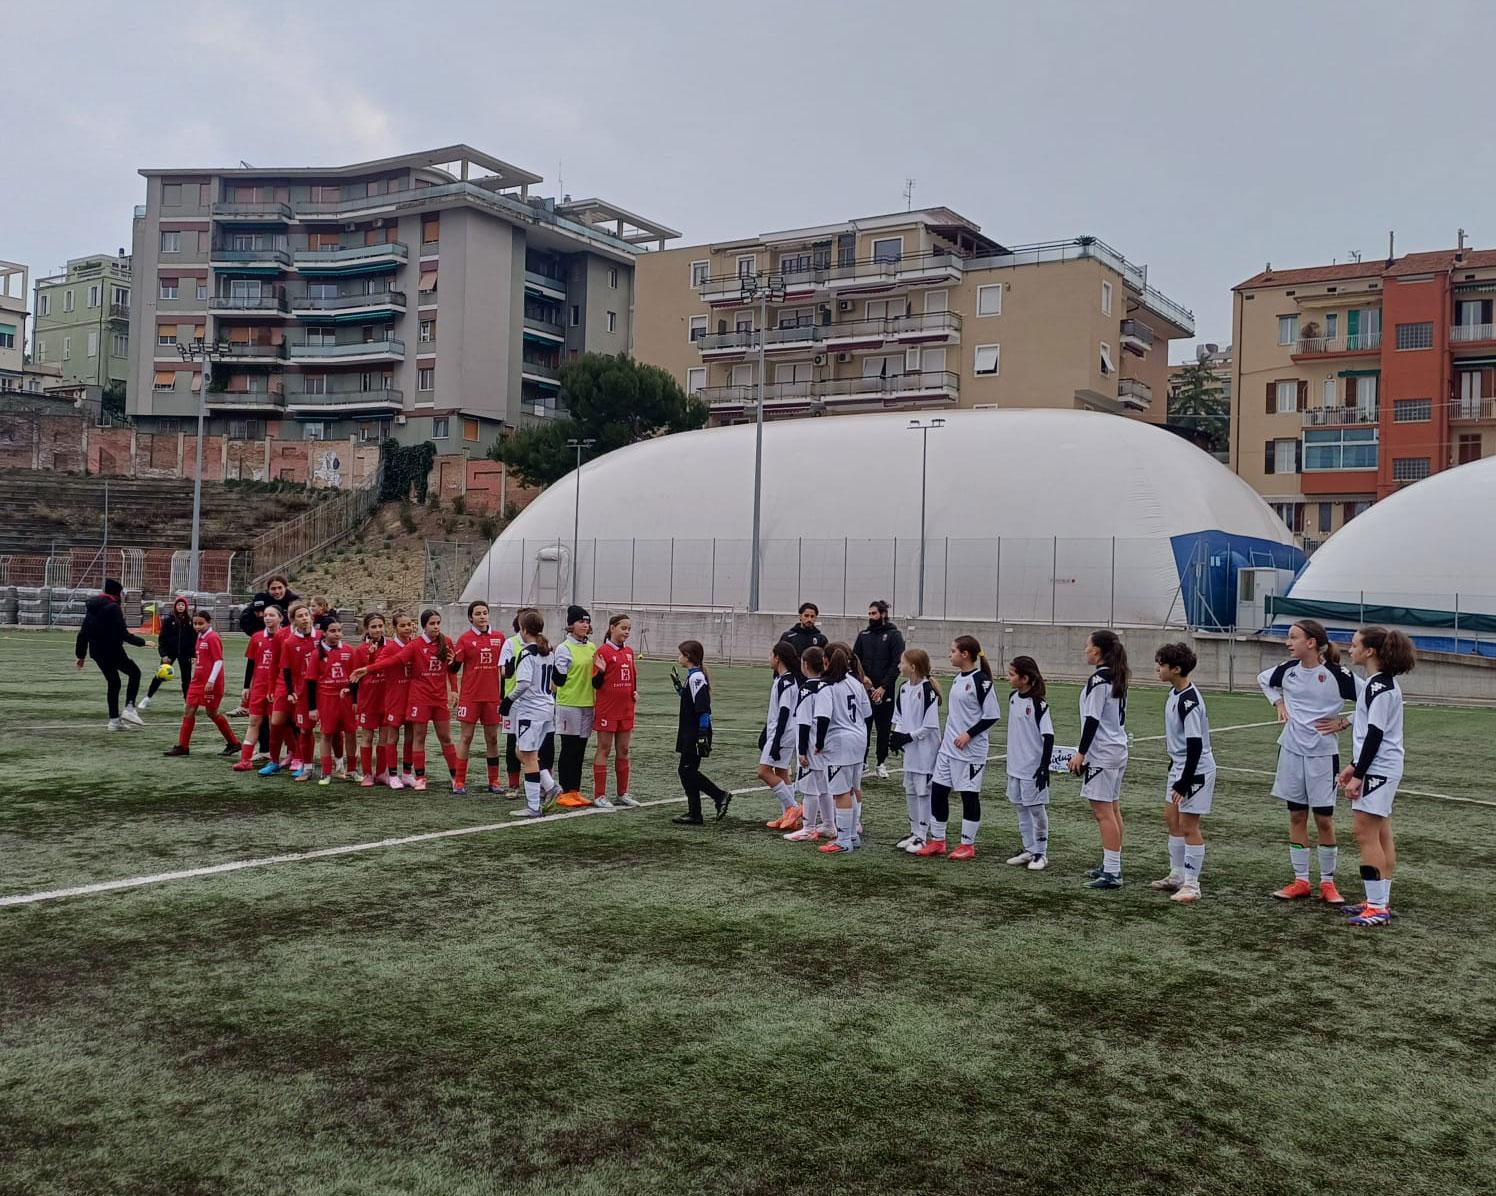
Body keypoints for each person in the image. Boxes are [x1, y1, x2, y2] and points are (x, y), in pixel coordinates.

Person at [1257, 619, 1357, 905]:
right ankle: (1301, 880)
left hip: (1323, 755)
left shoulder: (1338, 675)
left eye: (1293, 637)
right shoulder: (1287, 671)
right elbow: (1263, 680)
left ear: (1311, 643)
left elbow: (1371, 701)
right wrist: (1278, 703)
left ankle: (1328, 883)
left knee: (1324, 819)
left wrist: (1344, 721)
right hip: (1290, 751)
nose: (1288, 643)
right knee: (1296, 815)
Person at [1331, 626, 1416, 928]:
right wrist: (1354, 766)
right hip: (1380, 766)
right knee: (1381, 834)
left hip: (1379, 769)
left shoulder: (1379, 687)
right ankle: (1378, 901)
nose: (1349, 649)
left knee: (1365, 834)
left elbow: (1375, 734)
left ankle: (1377, 907)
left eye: (1354, 645)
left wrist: (1360, 773)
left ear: (1370, 652)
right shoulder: (1378, 684)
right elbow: (1370, 732)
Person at [351, 609, 458, 792]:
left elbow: (452, 666)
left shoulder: (442, 641)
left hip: (415, 698)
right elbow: (392, 661)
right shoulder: (404, 646)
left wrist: (454, 687)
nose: (407, 628)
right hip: (398, 699)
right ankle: (387, 774)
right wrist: (367, 669)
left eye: (409, 624)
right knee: (391, 737)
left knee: (417, 737)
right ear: (395, 628)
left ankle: (412, 773)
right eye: (402, 625)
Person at [915, 636, 1000, 860]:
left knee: (969, 796)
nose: (949, 654)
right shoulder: (957, 679)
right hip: (948, 749)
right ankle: (938, 840)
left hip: (970, 752)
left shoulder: (982, 681)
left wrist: (969, 734)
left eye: (952, 651)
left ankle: (967, 845)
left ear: (965, 654)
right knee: (939, 791)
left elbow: (992, 715)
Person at [1150, 643, 1215, 904]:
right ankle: (1177, 875)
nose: (1157, 668)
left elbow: (1195, 745)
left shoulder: (1189, 701)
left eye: (1162, 664)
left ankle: (1192, 884)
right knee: (1172, 819)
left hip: (1195, 769)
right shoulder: (1174, 693)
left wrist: (1185, 781)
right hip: (1178, 765)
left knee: (1189, 825)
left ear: (1176, 669)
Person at [1069, 629, 1131, 889]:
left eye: (1088, 645)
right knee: (1113, 809)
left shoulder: (1099, 680)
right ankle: (1110, 863)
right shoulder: (1116, 676)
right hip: (1116, 749)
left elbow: (1092, 720)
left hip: (1103, 753)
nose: (1085, 650)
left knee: (1102, 812)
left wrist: (1081, 753)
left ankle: (1113, 871)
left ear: (1097, 651)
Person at [814, 645, 871, 855]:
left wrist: (819, 743)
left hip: (840, 743)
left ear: (826, 661)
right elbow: (866, 712)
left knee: (840, 792)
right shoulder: (856, 682)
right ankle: (852, 836)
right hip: (859, 739)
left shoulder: (827, 687)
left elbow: (823, 717)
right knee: (852, 788)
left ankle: (844, 840)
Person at [505, 609, 560, 818]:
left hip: (531, 710)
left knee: (527, 756)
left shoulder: (528, 652)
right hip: (547, 708)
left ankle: (534, 806)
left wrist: (508, 700)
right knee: (523, 752)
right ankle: (550, 785)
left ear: (523, 628)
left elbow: (524, 684)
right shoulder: (548, 651)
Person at [74, 577, 148, 731]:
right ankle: (129, 709)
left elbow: (83, 633)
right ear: (117, 594)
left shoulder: (93, 606)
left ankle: (114, 721)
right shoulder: (113, 607)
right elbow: (122, 633)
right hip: (112, 650)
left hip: (96, 652)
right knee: (135, 673)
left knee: (114, 682)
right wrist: (143, 642)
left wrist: (81, 656)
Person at [163, 610, 240, 758]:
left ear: (208, 622)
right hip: (197, 681)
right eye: (195, 623)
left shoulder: (213, 637)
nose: (197, 626)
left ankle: (234, 743)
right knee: (188, 710)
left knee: (212, 713)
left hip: (211, 683)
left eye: (200, 623)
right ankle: (183, 746)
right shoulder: (199, 637)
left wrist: (211, 680)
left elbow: (218, 660)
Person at [1004, 655, 1055, 872]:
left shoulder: (1039, 704)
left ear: (1025, 678)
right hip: (1014, 766)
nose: (1009, 678)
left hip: (1031, 768)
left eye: (1012, 674)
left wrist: (1044, 767)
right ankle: (1029, 848)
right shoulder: (1013, 697)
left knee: (1035, 809)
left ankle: (1041, 853)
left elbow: (1048, 736)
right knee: (1020, 807)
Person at [450, 601, 506, 796]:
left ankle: (494, 781)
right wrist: (452, 663)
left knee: (492, 739)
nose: (482, 616)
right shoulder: (465, 639)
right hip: (470, 697)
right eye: (478, 613)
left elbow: (505, 668)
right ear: (470, 618)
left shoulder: (499, 637)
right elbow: (454, 668)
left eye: (485, 613)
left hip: (492, 697)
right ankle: (458, 781)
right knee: (466, 738)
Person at [672, 639, 730, 825]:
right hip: (690, 730)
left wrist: (703, 734)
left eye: (681, 654)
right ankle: (695, 813)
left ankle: (719, 795)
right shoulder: (693, 676)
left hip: (695, 732)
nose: (678, 657)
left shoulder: (697, 677)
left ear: (688, 657)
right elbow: (692, 700)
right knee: (687, 770)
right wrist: (681, 689)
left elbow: (703, 708)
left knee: (687, 770)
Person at [889, 648, 941, 853]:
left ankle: (923, 834)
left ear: (913, 667)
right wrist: (896, 737)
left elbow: (930, 726)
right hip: (911, 751)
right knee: (910, 788)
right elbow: (899, 717)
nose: (899, 666)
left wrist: (908, 736)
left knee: (923, 791)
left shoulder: (928, 690)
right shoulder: (903, 688)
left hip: (925, 751)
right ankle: (914, 832)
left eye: (902, 663)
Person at [591, 613, 641, 810]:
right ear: (612, 628)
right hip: (607, 709)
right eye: (623, 628)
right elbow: (595, 683)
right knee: (604, 748)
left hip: (626, 709)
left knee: (624, 750)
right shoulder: (602, 651)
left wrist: (634, 691)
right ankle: (599, 795)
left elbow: (632, 678)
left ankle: (622, 793)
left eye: (629, 629)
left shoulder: (629, 652)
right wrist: (601, 671)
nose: (626, 632)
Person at [852, 600, 905, 779]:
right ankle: (863, 762)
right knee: (863, 727)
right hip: (865, 690)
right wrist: (863, 678)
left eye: (874, 613)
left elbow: (896, 664)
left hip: (885, 691)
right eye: (869, 614)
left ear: (882, 614)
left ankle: (881, 763)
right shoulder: (863, 635)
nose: (871, 617)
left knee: (883, 728)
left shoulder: (894, 635)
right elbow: (854, 660)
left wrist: (883, 686)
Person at [302, 618, 358, 785]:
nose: (337, 634)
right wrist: (312, 708)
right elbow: (311, 682)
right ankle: (326, 772)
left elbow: (355, 678)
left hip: (346, 700)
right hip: (327, 700)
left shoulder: (348, 650)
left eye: (339, 630)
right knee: (327, 734)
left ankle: (352, 770)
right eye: (333, 631)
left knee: (351, 733)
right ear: (324, 633)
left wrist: (355, 699)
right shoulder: (316, 654)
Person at [552, 606, 598, 808]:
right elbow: (559, 679)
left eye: (587, 622)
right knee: (568, 749)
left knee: (580, 750)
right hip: (569, 703)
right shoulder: (564, 648)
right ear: (571, 625)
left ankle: (575, 790)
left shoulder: (592, 648)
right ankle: (564, 790)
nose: (585, 625)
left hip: (588, 703)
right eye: (581, 621)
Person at [786, 646, 831, 843]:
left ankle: (808, 828)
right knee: (824, 787)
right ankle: (829, 824)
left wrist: (802, 751)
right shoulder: (827, 685)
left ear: (805, 664)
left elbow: (804, 722)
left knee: (809, 788)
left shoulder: (807, 689)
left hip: (812, 744)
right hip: (826, 744)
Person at [761, 640, 803, 831]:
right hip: (780, 732)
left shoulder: (786, 682)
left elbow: (785, 713)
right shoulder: (781, 679)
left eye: (771, 654)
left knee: (763, 771)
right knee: (782, 772)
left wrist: (776, 741)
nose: (769, 658)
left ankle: (793, 808)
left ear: (778, 658)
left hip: (783, 733)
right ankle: (790, 817)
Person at [234, 604, 282, 772]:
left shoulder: (286, 638)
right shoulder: (256, 637)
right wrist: (246, 686)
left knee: (275, 725)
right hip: (259, 687)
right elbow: (251, 662)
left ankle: (278, 759)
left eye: (272, 615)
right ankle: (245, 760)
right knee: (254, 721)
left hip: (278, 688)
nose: (267, 618)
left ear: (280, 618)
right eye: (266, 615)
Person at [351, 612, 388, 787]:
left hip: (387, 699)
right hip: (368, 699)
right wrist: (354, 701)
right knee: (367, 735)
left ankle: (381, 773)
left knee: (385, 737)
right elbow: (354, 677)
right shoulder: (360, 650)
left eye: (380, 626)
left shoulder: (390, 647)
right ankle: (367, 774)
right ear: (367, 629)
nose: (377, 630)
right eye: (373, 626)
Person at [140, 595, 196, 710]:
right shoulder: (169, 620)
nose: (181, 607)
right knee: (159, 676)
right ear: (175, 606)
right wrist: (164, 654)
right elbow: (162, 638)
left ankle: (187, 703)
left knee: (186, 679)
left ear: (186, 607)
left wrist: (194, 655)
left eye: (183, 605)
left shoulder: (190, 621)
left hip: (185, 654)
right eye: (179, 604)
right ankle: (147, 698)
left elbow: (193, 639)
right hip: (169, 654)